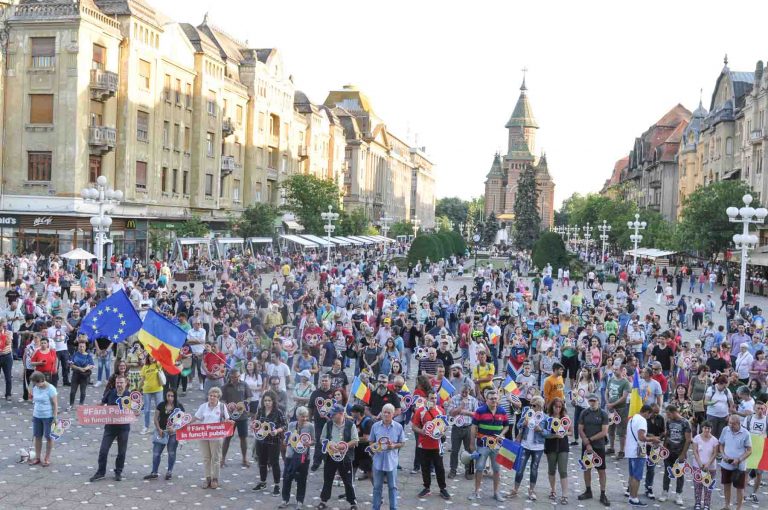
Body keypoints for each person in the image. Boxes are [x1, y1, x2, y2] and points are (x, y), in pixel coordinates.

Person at [468, 388, 508, 502]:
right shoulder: (480, 411)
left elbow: (507, 425)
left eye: (495, 398)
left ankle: (496, 492)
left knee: (496, 469)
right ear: (486, 400)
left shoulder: (502, 411)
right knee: (479, 468)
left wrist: (502, 434)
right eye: (491, 399)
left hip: (497, 445)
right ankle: (476, 491)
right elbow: (473, 427)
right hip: (482, 444)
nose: (494, 400)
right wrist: (472, 444)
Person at [316, 404, 359, 510]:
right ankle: (323, 501)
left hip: (345, 457)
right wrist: (329, 444)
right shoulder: (328, 424)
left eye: (333, 414)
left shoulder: (350, 425)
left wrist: (344, 446)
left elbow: (355, 440)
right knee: (328, 479)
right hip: (330, 456)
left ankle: (352, 502)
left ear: (340, 414)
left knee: (347, 481)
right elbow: (322, 438)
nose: (331, 416)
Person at [90, 375, 131, 482]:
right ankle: (101, 472)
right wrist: (88, 410)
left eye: (121, 383)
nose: (119, 385)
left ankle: (118, 472)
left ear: (125, 383)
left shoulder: (129, 395)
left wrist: (136, 412)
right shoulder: (110, 392)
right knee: (103, 451)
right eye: (117, 383)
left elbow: (136, 410)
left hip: (123, 428)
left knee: (121, 452)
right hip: (110, 427)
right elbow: (102, 404)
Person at [411, 389, 451, 500]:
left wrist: (442, 431)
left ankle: (443, 489)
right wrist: (421, 431)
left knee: (439, 467)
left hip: (437, 444)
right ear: (427, 399)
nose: (433, 400)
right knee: (425, 467)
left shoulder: (441, 410)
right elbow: (414, 426)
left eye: (435, 398)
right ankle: (426, 487)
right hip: (424, 444)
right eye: (431, 398)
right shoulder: (420, 411)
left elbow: (445, 425)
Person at [190, 386, 230, 489]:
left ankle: (215, 478)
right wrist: (185, 423)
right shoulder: (203, 406)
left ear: (218, 397)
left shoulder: (222, 407)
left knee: (215, 458)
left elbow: (227, 420)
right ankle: (207, 478)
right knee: (206, 458)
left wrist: (229, 422)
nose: (212, 397)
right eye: (210, 395)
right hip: (203, 435)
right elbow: (196, 417)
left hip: (217, 436)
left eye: (214, 396)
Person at [368, 403, 405, 510]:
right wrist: (375, 447)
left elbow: (402, 443)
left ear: (393, 414)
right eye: (384, 412)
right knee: (377, 487)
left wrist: (393, 446)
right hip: (378, 461)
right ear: (381, 413)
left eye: (389, 412)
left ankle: (393, 508)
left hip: (391, 461)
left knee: (392, 487)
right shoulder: (375, 426)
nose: (386, 414)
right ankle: (375, 508)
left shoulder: (398, 427)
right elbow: (371, 441)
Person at [278, 406, 315, 509]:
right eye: (302, 416)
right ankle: (285, 500)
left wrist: (309, 443)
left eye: (306, 416)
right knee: (287, 478)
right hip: (290, 455)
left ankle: (300, 501)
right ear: (297, 416)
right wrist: (285, 441)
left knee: (302, 479)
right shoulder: (291, 425)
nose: (305, 419)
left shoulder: (310, 426)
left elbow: (314, 440)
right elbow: (287, 438)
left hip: (304, 456)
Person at [577, 393, 610, 506]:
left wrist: (589, 440)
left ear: (598, 401)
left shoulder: (603, 414)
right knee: (587, 468)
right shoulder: (584, 412)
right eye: (590, 401)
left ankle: (603, 493)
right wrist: (586, 442)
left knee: (601, 470)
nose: (592, 403)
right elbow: (580, 429)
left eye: (594, 401)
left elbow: (604, 432)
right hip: (586, 445)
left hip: (599, 446)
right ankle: (588, 491)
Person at [144, 388, 184, 480]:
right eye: (168, 395)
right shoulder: (161, 405)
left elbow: (183, 421)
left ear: (175, 397)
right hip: (161, 432)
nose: (170, 398)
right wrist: (159, 429)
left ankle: (169, 471)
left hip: (173, 433)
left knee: (171, 453)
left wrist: (174, 429)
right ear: (165, 396)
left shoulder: (179, 407)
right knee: (156, 453)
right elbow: (155, 418)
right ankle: (154, 472)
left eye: (172, 396)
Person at [511, 395, 546, 501]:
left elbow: (548, 433)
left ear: (540, 406)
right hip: (525, 445)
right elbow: (518, 425)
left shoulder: (545, 417)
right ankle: (515, 489)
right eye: (531, 405)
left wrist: (541, 430)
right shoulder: (528, 413)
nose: (532, 407)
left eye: (534, 405)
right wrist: (524, 423)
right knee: (520, 468)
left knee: (534, 469)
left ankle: (531, 491)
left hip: (538, 447)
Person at [252, 390, 287, 495]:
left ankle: (277, 485)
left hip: (273, 441)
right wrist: (254, 426)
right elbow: (257, 423)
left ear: (273, 401)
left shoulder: (278, 412)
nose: (267, 403)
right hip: (261, 441)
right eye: (265, 400)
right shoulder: (260, 410)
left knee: (274, 463)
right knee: (262, 462)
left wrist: (277, 431)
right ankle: (263, 482)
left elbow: (285, 425)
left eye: (269, 401)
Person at [625, 404, 658, 507]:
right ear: (647, 412)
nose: (649, 417)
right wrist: (653, 439)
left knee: (632, 475)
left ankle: (631, 496)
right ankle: (634, 498)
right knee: (637, 476)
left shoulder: (632, 418)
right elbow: (641, 437)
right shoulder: (642, 420)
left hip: (630, 450)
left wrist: (648, 442)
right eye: (650, 414)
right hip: (638, 452)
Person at [658, 404, 691, 505]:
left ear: (674, 412)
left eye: (668, 414)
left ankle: (678, 494)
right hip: (669, 451)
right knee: (667, 472)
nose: (667, 416)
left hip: (680, 452)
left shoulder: (685, 423)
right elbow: (667, 435)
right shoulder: (669, 421)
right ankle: (665, 492)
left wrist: (683, 454)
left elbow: (688, 440)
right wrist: (664, 449)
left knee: (679, 474)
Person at [719, 414, 752, 510]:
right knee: (726, 485)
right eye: (729, 423)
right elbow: (721, 444)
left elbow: (749, 450)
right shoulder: (725, 430)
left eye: (733, 424)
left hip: (739, 466)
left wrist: (739, 459)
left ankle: (739, 508)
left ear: (739, 423)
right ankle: (727, 505)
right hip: (726, 464)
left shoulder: (746, 433)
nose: (730, 426)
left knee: (740, 488)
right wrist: (723, 455)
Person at [220, 368, 252, 467]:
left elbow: (249, 397)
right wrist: (228, 406)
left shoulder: (244, 384)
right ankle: (222, 459)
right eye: (234, 377)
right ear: (230, 377)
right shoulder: (225, 387)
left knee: (243, 437)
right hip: (230, 416)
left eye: (238, 376)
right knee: (227, 437)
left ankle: (244, 459)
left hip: (243, 415)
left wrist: (245, 403)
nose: (237, 379)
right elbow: (222, 400)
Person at [446, 382, 478, 479]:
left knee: (469, 450)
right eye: (462, 392)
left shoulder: (473, 400)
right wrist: (461, 407)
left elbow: (476, 415)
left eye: (466, 392)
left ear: (469, 391)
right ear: (460, 391)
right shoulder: (454, 398)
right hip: (456, 428)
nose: (464, 394)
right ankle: (453, 470)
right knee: (454, 450)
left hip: (468, 428)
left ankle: (469, 470)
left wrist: (465, 412)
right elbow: (451, 413)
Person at [29, 370, 58, 466]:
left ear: (41, 380)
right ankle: (38, 457)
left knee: (48, 436)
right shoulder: (35, 387)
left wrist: (55, 417)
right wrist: (33, 415)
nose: (35, 385)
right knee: (37, 436)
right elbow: (35, 402)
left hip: (48, 416)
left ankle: (47, 457)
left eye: (36, 383)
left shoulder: (51, 389)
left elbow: (55, 404)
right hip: (37, 415)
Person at [544, 397, 570, 505]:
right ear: (552, 407)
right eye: (556, 407)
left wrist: (564, 433)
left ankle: (565, 495)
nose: (558, 409)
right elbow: (544, 433)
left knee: (563, 471)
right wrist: (554, 435)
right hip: (551, 446)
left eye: (560, 407)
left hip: (563, 446)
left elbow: (571, 432)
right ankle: (553, 490)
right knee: (551, 469)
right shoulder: (548, 418)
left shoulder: (565, 418)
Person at [690, 420, 719, 510]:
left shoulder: (714, 440)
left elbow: (715, 453)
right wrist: (699, 463)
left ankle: (707, 504)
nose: (707, 430)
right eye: (705, 428)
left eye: (708, 428)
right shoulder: (697, 438)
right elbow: (695, 451)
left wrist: (708, 464)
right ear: (702, 428)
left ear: (711, 429)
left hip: (711, 467)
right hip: (697, 466)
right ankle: (697, 503)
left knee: (708, 486)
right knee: (697, 486)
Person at [139, 354, 164, 435]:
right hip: (147, 390)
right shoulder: (145, 367)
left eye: (153, 356)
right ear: (148, 357)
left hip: (158, 389)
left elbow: (161, 361)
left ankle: (159, 427)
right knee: (146, 410)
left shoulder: (158, 364)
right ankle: (146, 426)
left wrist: (157, 358)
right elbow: (142, 379)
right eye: (150, 356)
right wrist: (138, 389)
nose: (152, 357)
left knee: (159, 409)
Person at [68, 337, 95, 410]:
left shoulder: (88, 355)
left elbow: (92, 365)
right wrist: (79, 368)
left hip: (84, 376)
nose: (81, 348)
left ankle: (81, 405)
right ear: (78, 347)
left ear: (85, 347)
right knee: (72, 391)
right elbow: (71, 364)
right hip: (76, 374)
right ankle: (71, 405)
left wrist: (85, 368)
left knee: (83, 392)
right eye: (80, 346)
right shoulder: (75, 354)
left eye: (83, 346)